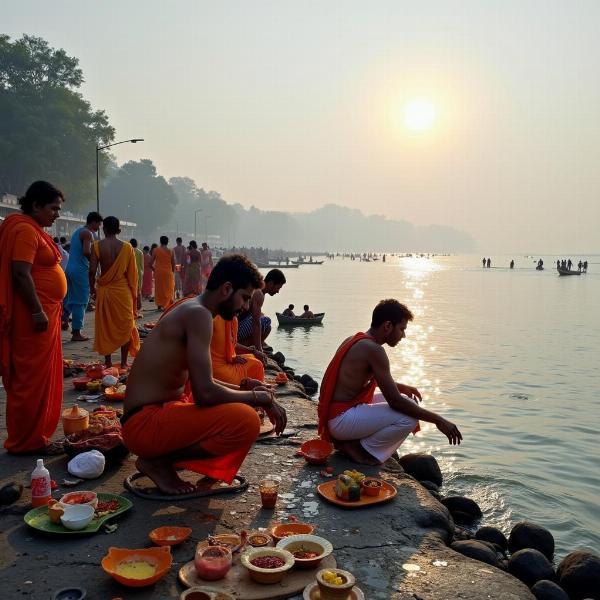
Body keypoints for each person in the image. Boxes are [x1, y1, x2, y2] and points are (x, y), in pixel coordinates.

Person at [122, 254, 287, 495]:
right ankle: (159, 463)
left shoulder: (195, 309)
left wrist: (245, 389)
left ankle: (163, 461)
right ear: (226, 289)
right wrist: (258, 398)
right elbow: (204, 393)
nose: (244, 307)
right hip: (145, 425)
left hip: (149, 418)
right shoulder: (199, 315)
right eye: (244, 298)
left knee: (244, 408)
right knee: (246, 421)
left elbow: (197, 380)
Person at [318, 299, 462, 465]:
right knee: (409, 417)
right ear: (387, 326)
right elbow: (394, 401)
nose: (404, 335)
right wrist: (439, 420)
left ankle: (352, 443)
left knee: (408, 402)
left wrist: (399, 387)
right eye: (402, 329)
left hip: (335, 414)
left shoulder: (355, 339)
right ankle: (359, 449)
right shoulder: (374, 350)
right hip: (340, 421)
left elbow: (357, 379)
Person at [0, 181, 67, 454]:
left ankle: (37, 435)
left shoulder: (32, 229)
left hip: (44, 313)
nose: (57, 214)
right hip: (33, 317)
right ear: (36, 205)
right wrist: (37, 309)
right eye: (53, 208)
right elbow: (20, 273)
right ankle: (27, 441)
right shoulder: (24, 230)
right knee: (30, 379)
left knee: (41, 377)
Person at [89, 217, 140, 368]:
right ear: (119, 230)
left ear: (104, 229)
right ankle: (124, 362)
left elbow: (92, 271)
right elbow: (133, 275)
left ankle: (108, 362)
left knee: (106, 326)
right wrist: (135, 295)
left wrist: (92, 289)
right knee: (126, 326)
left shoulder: (96, 246)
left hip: (105, 291)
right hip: (123, 292)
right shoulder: (127, 247)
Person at [62, 211, 103, 341]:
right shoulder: (88, 233)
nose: (99, 227)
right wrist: (95, 262)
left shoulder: (78, 231)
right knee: (81, 301)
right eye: (99, 224)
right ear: (94, 222)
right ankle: (76, 332)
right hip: (80, 270)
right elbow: (86, 251)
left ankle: (63, 319)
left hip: (70, 268)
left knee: (70, 298)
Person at [237, 268, 286, 351]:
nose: (278, 291)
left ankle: (243, 346)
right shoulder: (259, 293)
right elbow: (256, 322)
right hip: (235, 330)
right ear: (271, 283)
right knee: (266, 321)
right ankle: (241, 347)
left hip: (236, 328)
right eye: (278, 287)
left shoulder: (257, 290)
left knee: (262, 317)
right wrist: (259, 349)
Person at [210, 315, 266, 385]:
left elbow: (233, 343)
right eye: (244, 303)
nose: (246, 307)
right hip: (216, 371)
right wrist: (231, 358)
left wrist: (253, 351)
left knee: (254, 360)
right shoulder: (213, 319)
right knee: (257, 365)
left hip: (221, 366)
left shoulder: (232, 319)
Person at [152, 236, 175, 311]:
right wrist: (172, 272)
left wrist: (154, 270)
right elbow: (173, 264)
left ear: (160, 241)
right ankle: (168, 304)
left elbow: (150, 263)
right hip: (168, 272)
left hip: (159, 272)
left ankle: (159, 305)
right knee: (168, 288)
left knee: (159, 288)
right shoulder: (171, 251)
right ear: (167, 242)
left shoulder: (156, 250)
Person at [130, 238, 144, 315]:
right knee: (138, 291)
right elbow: (142, 266)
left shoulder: (129, 251)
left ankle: (132, 308)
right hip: (139, 273)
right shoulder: (140, 252)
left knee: (131, 291)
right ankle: (137, 307)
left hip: (131, 273)